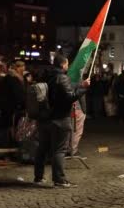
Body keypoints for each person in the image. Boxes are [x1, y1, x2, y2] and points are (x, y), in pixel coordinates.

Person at [34, 54, 89, 188]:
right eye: (67, 64)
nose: (68, 66)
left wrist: (79, 84)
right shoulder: (62, 77)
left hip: (44, 118)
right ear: (63, 64)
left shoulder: (46, 76)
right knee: (59, 150)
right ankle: (59, 180)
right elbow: (70, 97)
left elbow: (63, 88)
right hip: (59, 119)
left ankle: (38, 177)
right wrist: (83, 88)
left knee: (42, 149)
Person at [0, 60, 27, 147]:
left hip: (8, 106)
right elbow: (17, 93)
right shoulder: (13, 78)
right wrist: (22, 102)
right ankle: (7, 144)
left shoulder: (14, 77)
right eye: (22, 67)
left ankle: (5, 144)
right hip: (11, 106)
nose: (24, 68)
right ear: (17, 68)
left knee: (6, 125)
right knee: (8, 126)